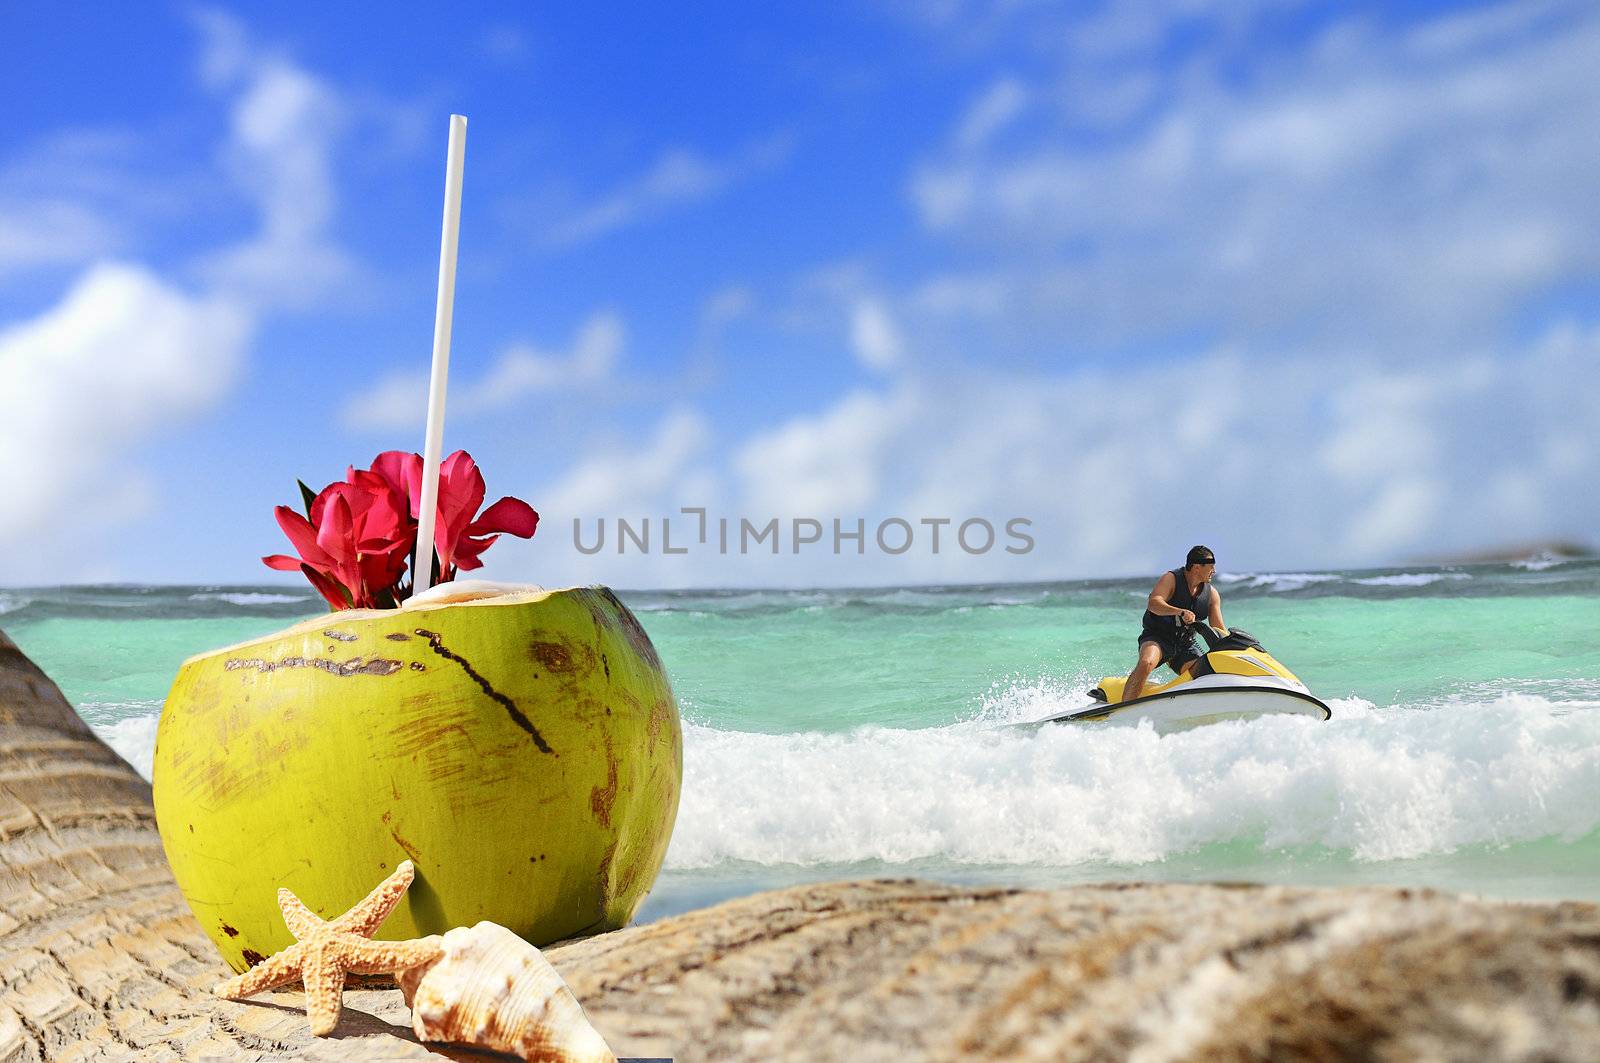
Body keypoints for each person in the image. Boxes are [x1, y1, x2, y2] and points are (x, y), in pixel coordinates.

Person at [1123, 545, 1228, 702]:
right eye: (1211, 567)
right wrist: (1180, 612)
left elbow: (1218, 629)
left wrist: (1234, 643)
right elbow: (1154, 604)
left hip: (1185, 645)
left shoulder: (1212, 594)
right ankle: (1124, 707)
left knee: (1205, 674)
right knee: (1147, 662)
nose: (1214, 571)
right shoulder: (1171, 579)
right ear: (1197, 567)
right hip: (1158, 637)